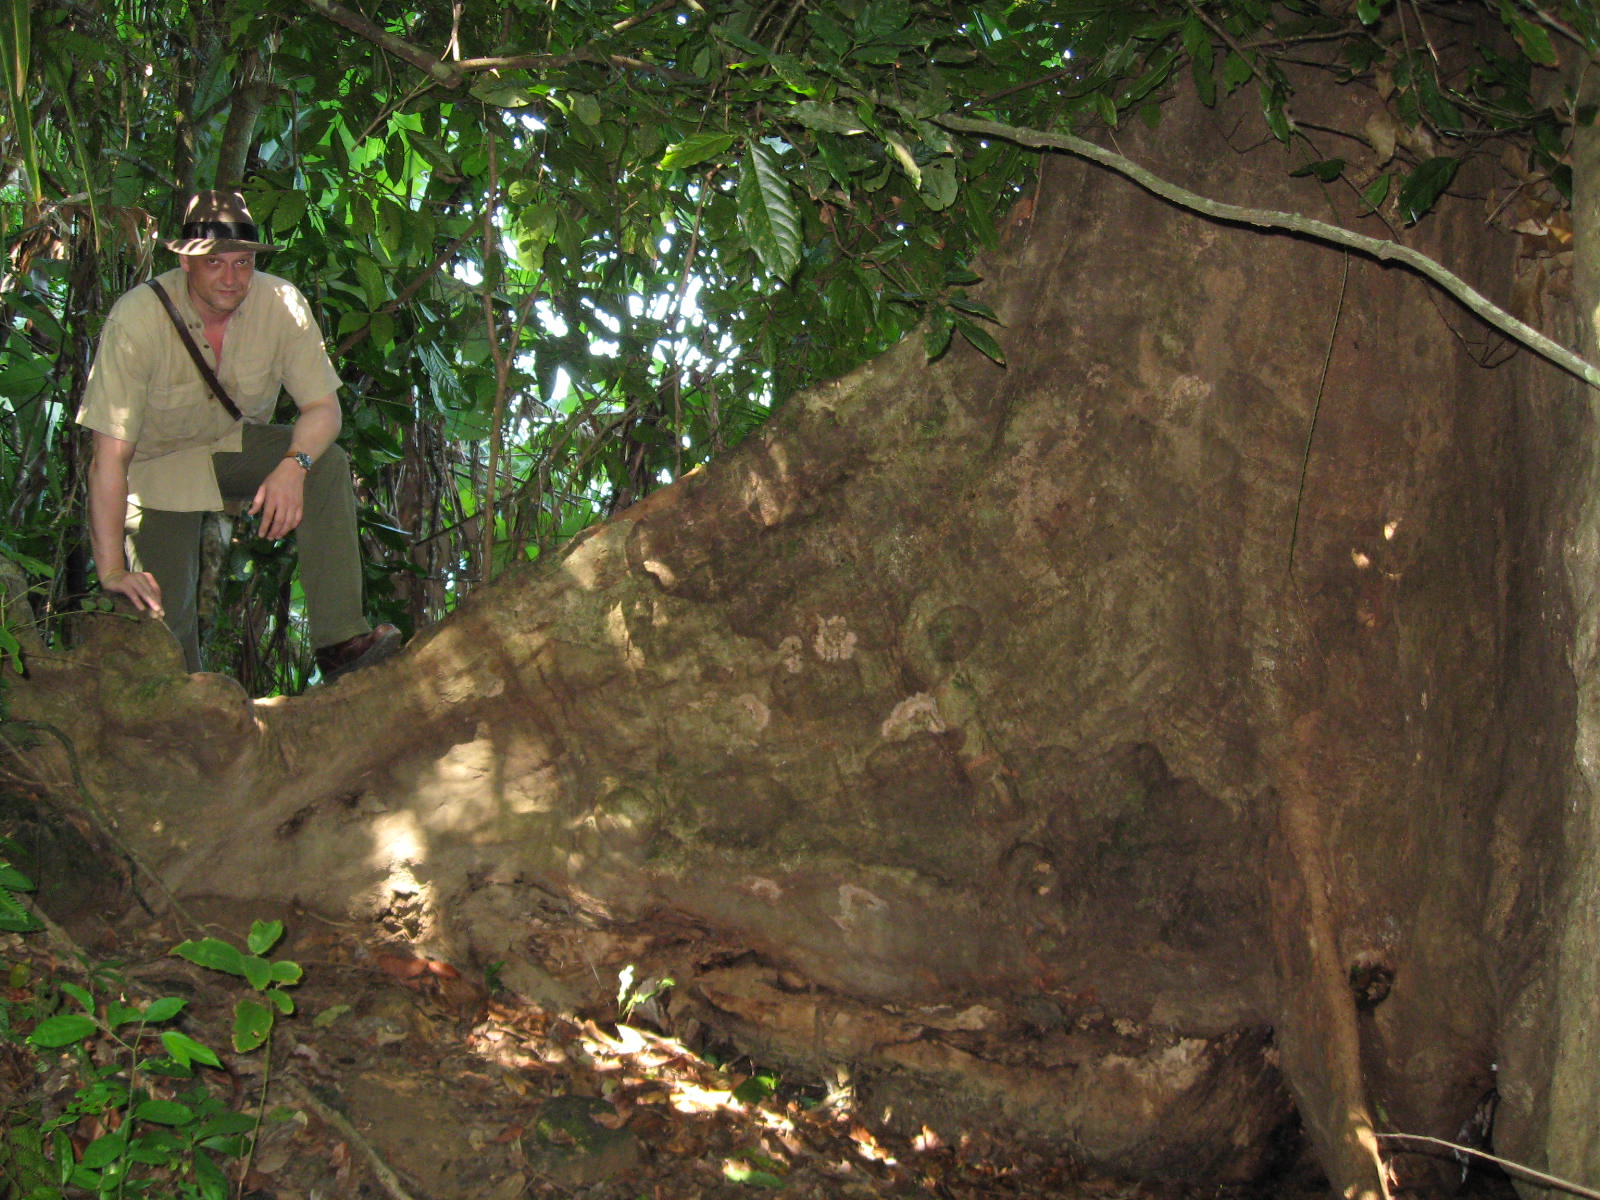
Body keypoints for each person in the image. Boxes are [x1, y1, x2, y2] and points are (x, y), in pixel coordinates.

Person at [76, 189, 400, 683]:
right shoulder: (137, 318)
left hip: (231, 445)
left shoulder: (281, 304)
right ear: (186, 261)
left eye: (242, 263)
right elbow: (109, 459)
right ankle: (188, 705)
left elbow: (323, 410)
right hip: (155, 468)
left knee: (325, 462)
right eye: (215, 263)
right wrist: (112, 570)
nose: (231, 278)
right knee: (167, 633)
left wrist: (294, 466)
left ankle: (340, 643)